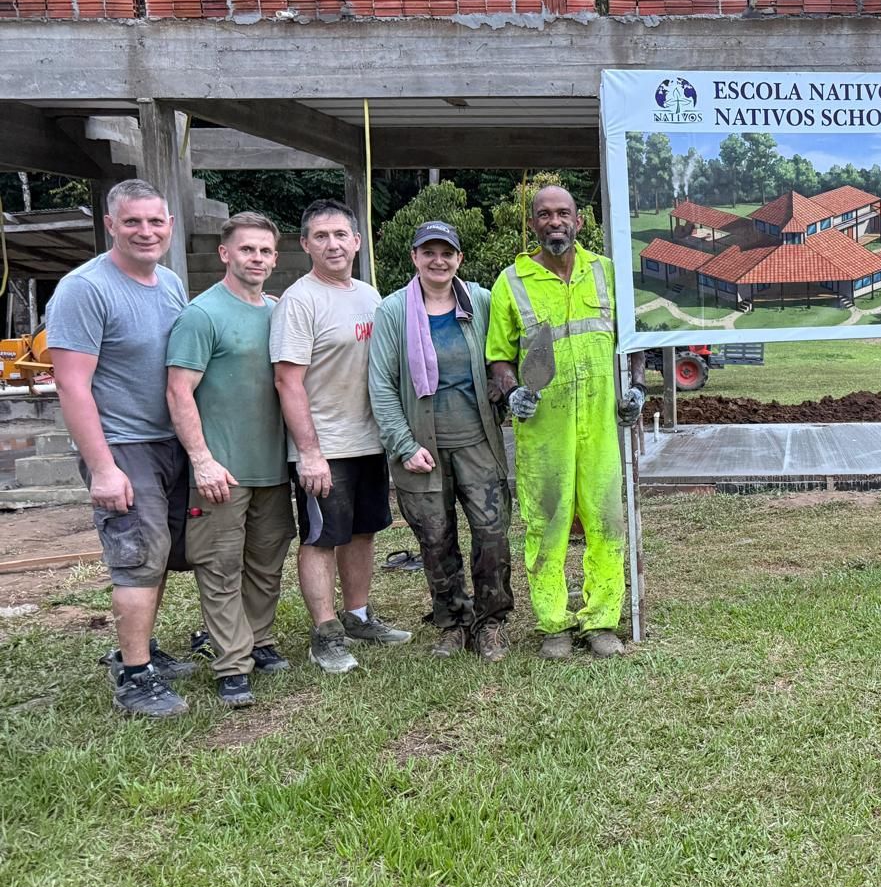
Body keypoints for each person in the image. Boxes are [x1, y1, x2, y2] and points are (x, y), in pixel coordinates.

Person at [49, 178, 197, 717]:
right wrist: (103, 467)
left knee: (159, 555)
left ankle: (142, 651)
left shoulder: (169, 283)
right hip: (124, 445)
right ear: (110, 224)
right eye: (132, 221)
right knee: (136, 559)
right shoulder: (84, 289)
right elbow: (71, 384)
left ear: (170, 226)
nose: (145, 231)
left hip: (170, 441)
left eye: (155, 221)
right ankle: (135, 678)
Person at [485, 186, 646, 660]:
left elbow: (632, 340)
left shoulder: (607, 273)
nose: (554, 222)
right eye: (544, 214)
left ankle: (601, 621)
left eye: (563, 213)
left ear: (579, 220)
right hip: (544, 429)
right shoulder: (512, 282)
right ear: (532, 224)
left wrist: (637, 387)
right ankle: (553, 624)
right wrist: (512, 392)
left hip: (601, 424)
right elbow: (499, 355)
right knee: (546, 525)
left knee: (606, 522)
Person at [271, 199, 412, 674]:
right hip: (324, 447)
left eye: (340, 235)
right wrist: (309, 453)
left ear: (356, 241)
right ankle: (325, 633)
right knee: (321, 537)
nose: (332, 244)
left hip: (369, 440)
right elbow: (288, 381)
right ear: (305, 244)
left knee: (362, 532)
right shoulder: (300, 300)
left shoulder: (369, 295)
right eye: (321, 236)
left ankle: (358, 616)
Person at [166, 212, 297, 708]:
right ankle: (231, 664)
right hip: (221, 469)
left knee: (266, 562)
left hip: (271, 466)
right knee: (220, 567)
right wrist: (201, 460)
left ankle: (258, 639)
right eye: (247, 249)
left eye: (264, 251)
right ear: (225, 253)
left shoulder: (279, 311)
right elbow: (178, 392)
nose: (256, 258)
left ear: (275, 258)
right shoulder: (202, 315)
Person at [369, 221, 513, 661]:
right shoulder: (394, 311)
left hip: (478, 442)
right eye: (428, 252)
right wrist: (403, 445)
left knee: (492, 535)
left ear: (459, 259)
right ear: (414, 257)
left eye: (446, 253)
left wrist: (502, 387)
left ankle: (491, 622)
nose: (438, 261)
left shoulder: (481, 301)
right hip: (421, 448)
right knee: (435, 540)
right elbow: (381, 384)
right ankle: (453, 622)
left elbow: (505, 354)